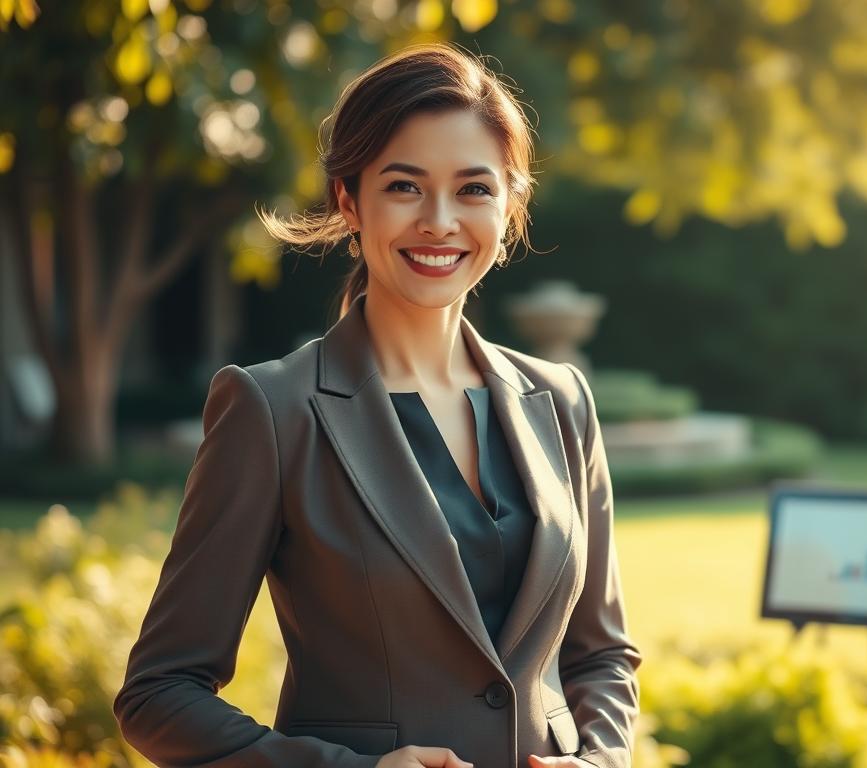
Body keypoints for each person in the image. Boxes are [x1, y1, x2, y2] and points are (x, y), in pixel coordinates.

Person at [113, 43, 641, 768]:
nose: (440, 221)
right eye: (404, 186)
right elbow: (159, 694)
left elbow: (603, 656)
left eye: (474, 189)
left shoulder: (562, 401)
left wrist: (601, 762)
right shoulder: (272, 410)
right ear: (348, 199)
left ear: (511, 203)